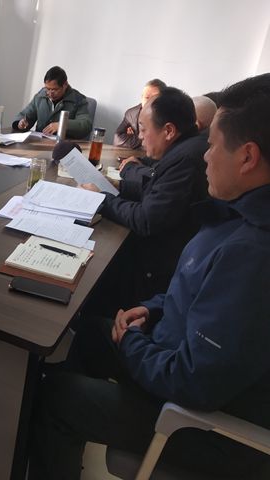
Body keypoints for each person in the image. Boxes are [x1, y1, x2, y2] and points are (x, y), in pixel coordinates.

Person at [29, 73, 270, 479]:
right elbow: (196, 295)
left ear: (247, 157)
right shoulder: (234, 217)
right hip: (173, 352)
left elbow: (193, 382)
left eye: (212, 146)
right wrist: (153, 309)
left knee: (53, 395)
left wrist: (133, 342)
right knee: (88, 334)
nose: (204, 157)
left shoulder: (253, 254)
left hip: (199, 423)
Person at [82, 87, 209, 306]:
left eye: (143, 129)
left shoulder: (185, 160)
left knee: (92, 263)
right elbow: (158, 190)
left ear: (168, 131)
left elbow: (146, 219)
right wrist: (119, 186)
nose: (139, 137)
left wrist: (102, 198)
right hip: (159, 254)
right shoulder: (184, 149)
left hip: (154, 272)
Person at [12, 66, 92, 139]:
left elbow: (86, 125)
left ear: (65, 85)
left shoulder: (78, 100)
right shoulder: (40, 96)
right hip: (40, 143)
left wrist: (62, 125)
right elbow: (25, 115)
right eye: (47, 89)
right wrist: (20, 123)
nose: (50, 93)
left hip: (64, 145)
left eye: (54, 89)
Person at [113, 78, 166, 149]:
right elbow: (117, 139)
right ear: (142, 99)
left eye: (155, 98)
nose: (150, 102)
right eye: (147, 97)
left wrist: (133, 139)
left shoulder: (171, 115)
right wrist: (142, 140)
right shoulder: (132, 114)